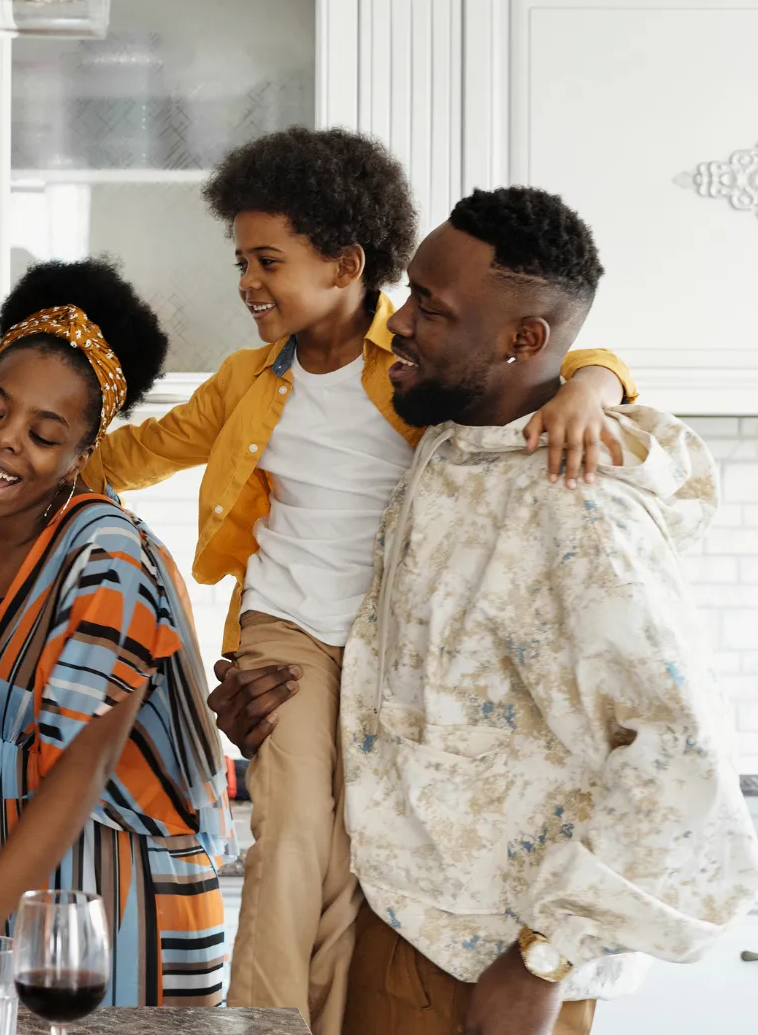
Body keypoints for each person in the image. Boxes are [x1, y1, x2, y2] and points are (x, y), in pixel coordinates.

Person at [70, 129, 635, 1032]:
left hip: (389, 643)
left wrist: (593, 387)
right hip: (288, 631)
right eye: (241, 258)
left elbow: (554, 355)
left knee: (354, 855)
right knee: (292, 832)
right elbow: (128, 458)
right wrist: (12, 464)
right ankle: (259, 1022)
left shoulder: (419, 362)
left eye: (267, 260)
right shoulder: (244, 381)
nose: (247, 280)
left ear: (345, 263)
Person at [217, 187, 758, 1035]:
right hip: (397, 927)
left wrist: (542, 959)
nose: (395, 323)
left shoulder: (575, 511)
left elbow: (688, 762)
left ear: (522, 339)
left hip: (490, 970)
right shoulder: (450, 443)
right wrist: (281, 718)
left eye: (429, 309)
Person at [0, 258, 233, 1006]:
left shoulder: (107, 557)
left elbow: (81, 770)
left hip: (117, 896)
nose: (1, 441)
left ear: (79, 458)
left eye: (43, 432)